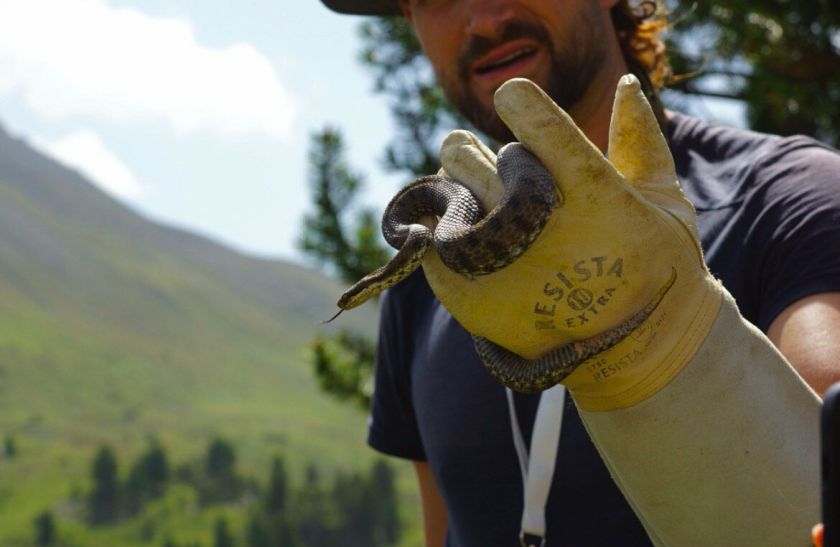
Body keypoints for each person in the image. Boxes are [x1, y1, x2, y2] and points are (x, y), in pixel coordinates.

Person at [321, 1, 840, 545]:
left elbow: (817, 486)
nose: (483, 19)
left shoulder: (794, 204)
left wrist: (669, 352)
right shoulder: (431, 282)